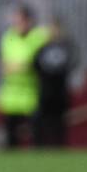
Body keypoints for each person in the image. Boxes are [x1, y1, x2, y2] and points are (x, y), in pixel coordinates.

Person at [0, 3, 48, 148]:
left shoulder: (39, 37)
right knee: (10, 135)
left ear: (29, 20)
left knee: (36, 133)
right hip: (10, 93)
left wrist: (18, 66)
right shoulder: (8, 37)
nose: (17, 24)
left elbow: (36, 63)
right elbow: (2, 61)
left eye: (20, 20)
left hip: (31, 91)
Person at [33, 15, 77, 146]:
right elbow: (35, 64)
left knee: (59, 121)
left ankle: (59, 146)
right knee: (42, 120)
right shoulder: (42, 46)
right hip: (45, 89)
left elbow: (72, 63)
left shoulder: (67, 46)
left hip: (60, 89)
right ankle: (40, 146)